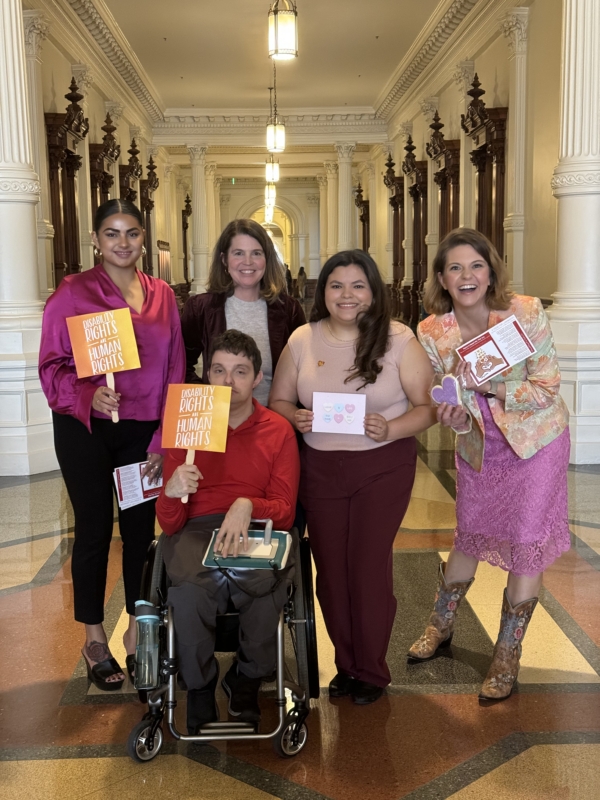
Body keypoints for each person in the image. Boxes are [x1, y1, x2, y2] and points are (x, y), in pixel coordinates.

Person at [408, 228, 570, 701]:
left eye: (476, 265)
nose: (467, 276)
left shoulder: (525, 312)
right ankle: (441, 624)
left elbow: (546, 388)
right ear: (441, 277)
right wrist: (454, 417)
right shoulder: (432, 331)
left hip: (536, 443)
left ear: (491, 270)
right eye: (455, 267)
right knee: (469, 534)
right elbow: (449, 403)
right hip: (482, 447)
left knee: (524, 542)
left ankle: (506, 655)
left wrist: (490, 385)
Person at [270, 250, 436, 705]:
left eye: (358, 285)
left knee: (366, 566)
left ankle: (371, 670)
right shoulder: (303, 339)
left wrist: (391, 428)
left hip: (382, 468)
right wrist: (296, 417)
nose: (347, 295)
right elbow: (279, 401)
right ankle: (346, 664)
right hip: (321, 470)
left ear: (374, 291)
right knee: (331, 573)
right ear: (322, 292)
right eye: (337, 285)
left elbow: (429, 407)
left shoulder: (399, 339)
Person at [39, 199, 185, 691]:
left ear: (144, 239)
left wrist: (164, 438)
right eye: (112, 234)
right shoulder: (73, 292)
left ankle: (138, 631)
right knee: (96, 529)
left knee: (142, 533)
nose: (123, 243)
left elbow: (175, 369)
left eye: (132, 234)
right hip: (86, 429)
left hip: (142, 430)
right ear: (96, 241)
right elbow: (51, 365)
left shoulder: (162, 294)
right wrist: (88, 393)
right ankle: (95, 636)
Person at [156, 330, 300, 733]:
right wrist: (170, 492)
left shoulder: (276, 430)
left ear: (257, 378)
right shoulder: (188, 426)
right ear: (205, 374)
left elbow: (286, 512)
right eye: (218, 370)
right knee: (187, 594)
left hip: (257, 527)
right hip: (196, 528)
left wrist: (248, 504)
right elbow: (169, 524)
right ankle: (199, 687)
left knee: (266, 587)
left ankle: (247, 678)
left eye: (240, 371)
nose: (227, 381)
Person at [181, 219, 305, 406]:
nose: (248, 262)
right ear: (224, 259)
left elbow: (303, 369)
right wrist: (208, 400)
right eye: (238, 253)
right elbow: (181, 364)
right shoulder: (201, 308)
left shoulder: (289, 309)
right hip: (220, 422)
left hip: (275, 421)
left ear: (267, 259)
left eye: (256, 253)